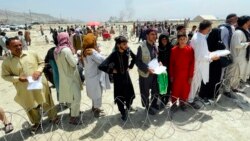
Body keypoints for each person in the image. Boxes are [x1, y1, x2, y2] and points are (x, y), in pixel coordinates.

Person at [1, 37, 59, 133]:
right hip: (24, 87)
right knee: (30, 105)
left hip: (39, 82)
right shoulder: (7, 62)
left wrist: (38, 71)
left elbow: (41, 63)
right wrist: (17, 78)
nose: (19, 47)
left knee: (45, 100)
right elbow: (5, 76)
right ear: (8, 47)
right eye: (15, 46)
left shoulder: (31, 53)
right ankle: (36, 122)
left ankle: (53, 117)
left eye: (20, 45)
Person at [99, 36, 136, 121]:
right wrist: (112, 70)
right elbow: (102, 66)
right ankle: (123, 112)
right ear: (119, 45)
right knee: (120, 96)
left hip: (126, 77)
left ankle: (128, 107)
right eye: (124, 44)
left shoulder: (128, 51)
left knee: (129, 93)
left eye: (126, 43)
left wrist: (130, 66)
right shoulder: (114, 54)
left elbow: (135, 57)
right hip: (118, 79)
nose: (126, 45)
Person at [188, 20, 220, 106]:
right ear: (206, 28)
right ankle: (190, 101)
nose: (210, 30)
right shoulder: (199, 39)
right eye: (209, 28)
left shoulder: (200, 36)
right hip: (198, 66)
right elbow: (199, 56)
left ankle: (192, 97)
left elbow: (201, 52)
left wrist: (208, 53)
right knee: (194, 84)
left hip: (199, 65)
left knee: (196, 84)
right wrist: (211, 57)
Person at [54, 32, 82, 125]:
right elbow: (73, 63)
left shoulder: (56, 50)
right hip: (71, 77)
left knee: (70, 97)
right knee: (76, 97)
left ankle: (73, 112)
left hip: (64, 77)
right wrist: (77, 56)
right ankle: (74, 117)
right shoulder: (66, 50)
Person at [136, 28, 159, 115]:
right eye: (152, 34)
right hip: (145, 74)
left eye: (155, 34)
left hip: (155, 73)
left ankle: (153, 104)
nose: (154, 36)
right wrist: (147, 69)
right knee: (145, 92)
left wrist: (159, 62)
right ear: (147, 36)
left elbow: (155, 57)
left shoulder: (155, 46)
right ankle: (147, 106)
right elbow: (137, 61)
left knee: (155, 90)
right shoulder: (141, 47)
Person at [199, 28, 226, 101]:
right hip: (214, 63)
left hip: (211, 64)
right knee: (212, 79)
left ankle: (205, 94)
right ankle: (210, 95)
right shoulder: (217, 42)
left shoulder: (208, 41)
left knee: (209, 79)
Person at [83, 33, 106, 117]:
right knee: (97, 93)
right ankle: (96, 111)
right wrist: (99, 52)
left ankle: (94, 108)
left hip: (90, 76)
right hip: (95, 76)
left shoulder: (85, 51)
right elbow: (102, 60)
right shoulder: (92, 52)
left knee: (94, 93)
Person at [226, 16, 250, 94]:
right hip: (237, 57)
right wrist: (247, 43)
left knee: (239, 74)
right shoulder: (238, 32)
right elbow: (236, 45)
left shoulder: (246, 31)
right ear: (246, 22)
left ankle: (234, 87)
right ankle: (227, 90)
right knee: (232, 74)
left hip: (243, 57)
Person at [170, 34, 194, 110]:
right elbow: (171, 64)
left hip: (186, 75)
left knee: (185, 90)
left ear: (187, 39)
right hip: (177, 74)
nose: (182, 41)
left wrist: (190, 76)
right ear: (178, 40)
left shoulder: (190, 50)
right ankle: (174, 104)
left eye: (184, 39)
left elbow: (192, 64)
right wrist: (171, 75)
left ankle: (182, 103)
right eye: (181, 39)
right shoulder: (174, 50)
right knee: (175, 90)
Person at [157, 33, 172, 107]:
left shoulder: (171, 47)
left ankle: (167, 100)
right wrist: (159, 61)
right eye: (162, 39)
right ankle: (162, 100)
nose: (164, 40)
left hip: (169, 69)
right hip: (161, 70)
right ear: (160, 40)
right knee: (161, 84)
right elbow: (157, 58)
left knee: (168, 85)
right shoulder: (158, 48)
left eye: (166, 39)